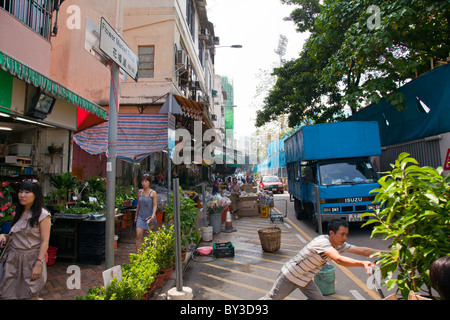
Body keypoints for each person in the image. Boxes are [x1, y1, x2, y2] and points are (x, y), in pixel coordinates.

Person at [261, 219, 388, 300]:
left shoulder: (339, 245)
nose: (345, 238)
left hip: (305, 278)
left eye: (346, 235)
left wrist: (389, 253)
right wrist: (362, 263)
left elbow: (363, 250)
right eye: (342, 234)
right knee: (271, 299)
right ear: (332, 233)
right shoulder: (322, 242)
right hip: (291, 275)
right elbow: (338, 259)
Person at [0, 179, 51, 300]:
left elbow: (45, 241)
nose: (22, 195)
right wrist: (4, 236)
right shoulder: (17, 213)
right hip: (12, 260)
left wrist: (38, 263)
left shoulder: (43, 215)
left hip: (30, 261)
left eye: (27, 192)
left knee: (29, 295)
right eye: (21, 191)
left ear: (36, 195)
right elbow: (16, 236)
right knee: (7, 293)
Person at [135, 173, 158, 251]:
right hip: (141, 217)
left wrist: (153, 215)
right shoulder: (140, 192)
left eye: (146, 181)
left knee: (151, 236)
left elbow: (155, 205)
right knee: (138, 235)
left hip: (150, 218)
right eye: (142, 181)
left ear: (149, 182)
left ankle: (152, 253)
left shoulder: (153, 193)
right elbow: (138, 204)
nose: (144, 183)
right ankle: (139, 254)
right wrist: (136, 215)